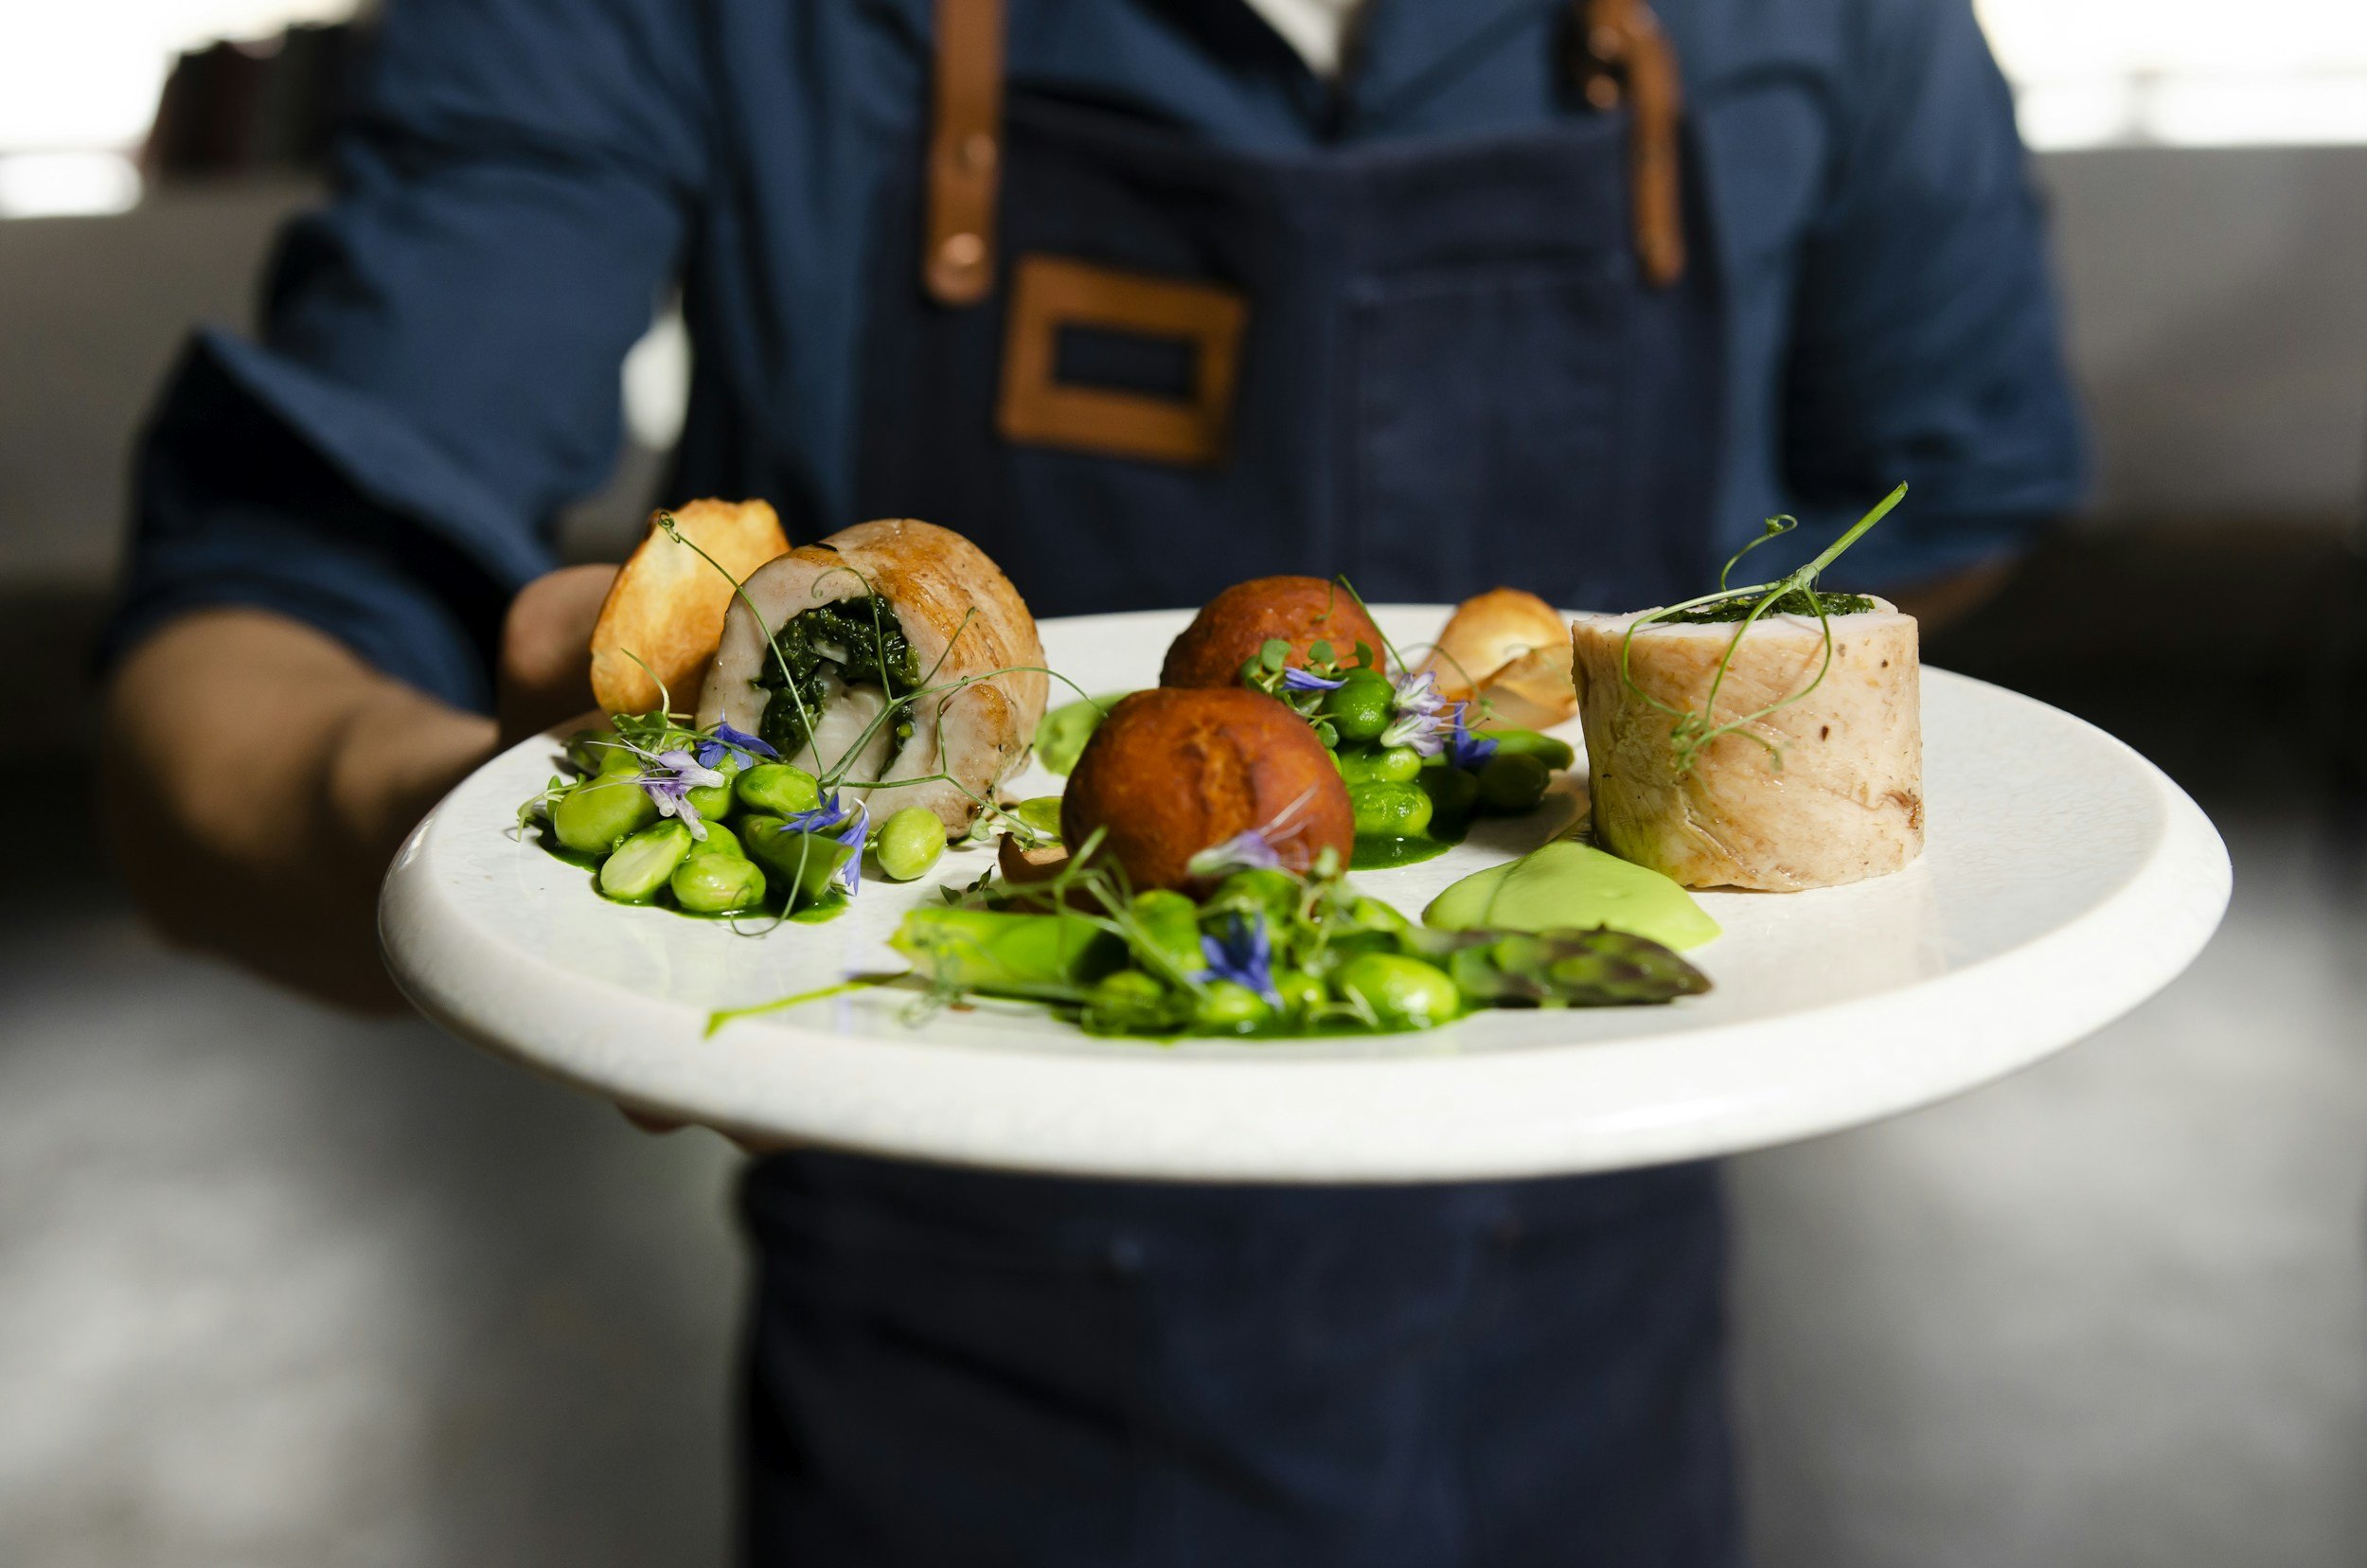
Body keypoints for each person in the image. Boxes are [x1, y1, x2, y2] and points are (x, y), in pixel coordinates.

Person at [99, 0, 2082, 1561]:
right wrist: (497, 844)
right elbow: (234, 660)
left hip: (1595, 1329)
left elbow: (1956, 474)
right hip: (956, 1386)